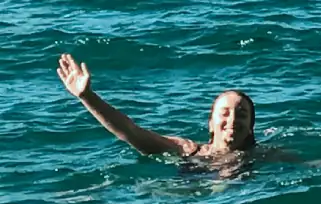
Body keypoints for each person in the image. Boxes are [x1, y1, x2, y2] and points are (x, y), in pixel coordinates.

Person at [55, 53, 257, 158]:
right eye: (225, 113)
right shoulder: (188, 151)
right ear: (211, 124)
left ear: (250, 127)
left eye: (241, 114)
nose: (232, 120)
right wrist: (87, 97)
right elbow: (131, 132)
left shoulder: (265, 157)